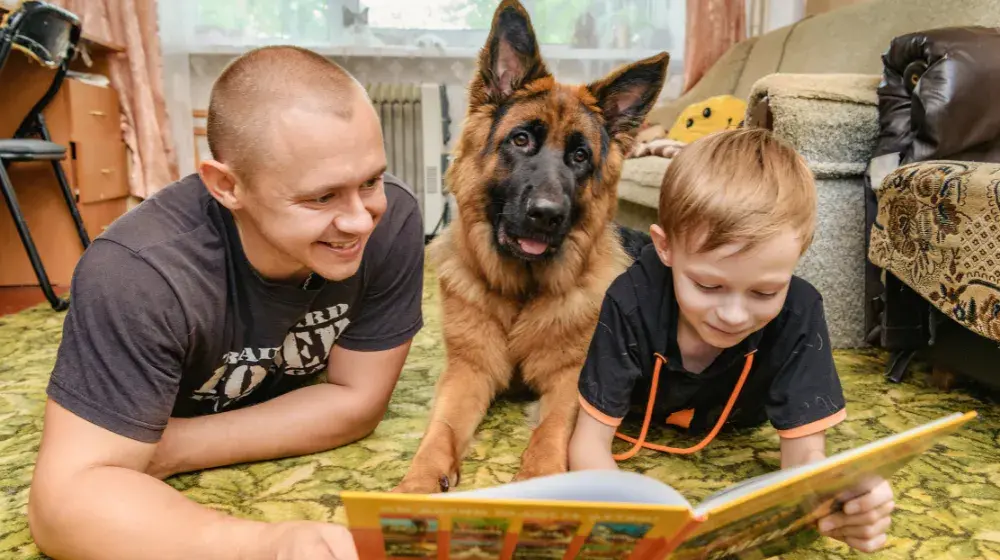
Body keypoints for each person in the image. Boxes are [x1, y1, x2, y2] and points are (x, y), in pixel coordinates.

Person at [27, 45, 425, 559]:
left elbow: (357, 400)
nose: (359, 220)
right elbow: (64, 504)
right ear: (226, 185)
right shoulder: (136, 273)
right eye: (321, 198)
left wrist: (170, 446)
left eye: (370, 180)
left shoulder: (390, 219)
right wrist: (259, 545)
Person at [568, 128, 895, 553]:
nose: (735, 315)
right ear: (665, 248)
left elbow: (804, 461)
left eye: (764, 292)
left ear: (800, 254)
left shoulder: (800, 311)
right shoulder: (629, 297)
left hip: (737, 420)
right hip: (636, 416)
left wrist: (837, 501)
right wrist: (627, 527)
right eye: (707, 285)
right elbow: (588, 444)